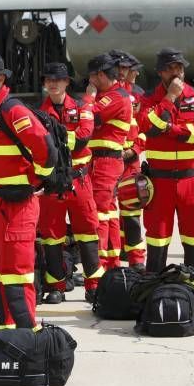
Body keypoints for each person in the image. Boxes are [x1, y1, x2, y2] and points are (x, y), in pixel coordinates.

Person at [0, 53, 57, 329]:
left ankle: (28, 340)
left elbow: (46, 150)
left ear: (0, 79)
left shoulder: (12, 110)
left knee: (17, 275)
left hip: (16, 206)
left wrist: (36, 184)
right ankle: (7, 336)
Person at [138, 48, 194, 314]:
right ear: (160, 72)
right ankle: (153, 294)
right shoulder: (149, 99)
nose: (176, 73)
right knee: (157, 240)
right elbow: (146, 125)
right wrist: (169, 98)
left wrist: (171, 130)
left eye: (179, 67)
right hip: (159, 183)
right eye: (170, 68)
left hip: (191, 181)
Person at [37, 62, 103, 304]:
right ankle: (56, 286)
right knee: (51, 235)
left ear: (67, 82)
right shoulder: (38, 113)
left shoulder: (82, 107)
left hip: (79, 180)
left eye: (58, 79)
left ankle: (93, 285)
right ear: (44, 84)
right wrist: (63, 136)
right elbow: (38, 145)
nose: (53, 83)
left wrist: (54, 137)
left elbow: (84, 139)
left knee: (87, 231)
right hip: (53, 183)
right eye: (48, 80)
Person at [85, 53, 133, 269]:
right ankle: (112, 261)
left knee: (100, 213)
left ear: (101, 75)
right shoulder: (114, 94)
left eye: (92, 77)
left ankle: (100, 265)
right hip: (103, 161)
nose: (90, 82)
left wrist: (88, 97)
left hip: (105, 161)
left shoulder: (115, 97)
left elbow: (90, 117)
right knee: (110, 213)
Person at [112, 50, 147, 269]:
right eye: (120, 68)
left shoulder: (137, 94)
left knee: (132, 211)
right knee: (107, 215)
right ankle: (113, 260)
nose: (124, 73)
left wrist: (135, 148)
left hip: (130, 160)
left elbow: (143, 127)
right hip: (108, 160)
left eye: (127, 68)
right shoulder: (105, 93)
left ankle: (136, 259)